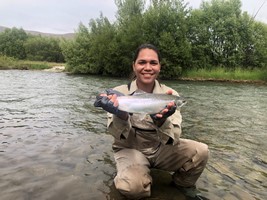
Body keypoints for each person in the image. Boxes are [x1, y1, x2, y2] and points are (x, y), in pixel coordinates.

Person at [94, 44, 209, 199]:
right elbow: (116, 136)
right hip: (130, 148)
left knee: (201, 151)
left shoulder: (170, 94)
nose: (147, 67)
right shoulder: (120, 94)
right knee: (132, 188)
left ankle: (182, 186)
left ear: (159, 67)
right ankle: (140, 179)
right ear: (134, 66)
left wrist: (161, 122)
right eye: (142, 62)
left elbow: (175, 136)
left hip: (160, 148)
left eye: (153, 63)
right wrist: (121, 115)